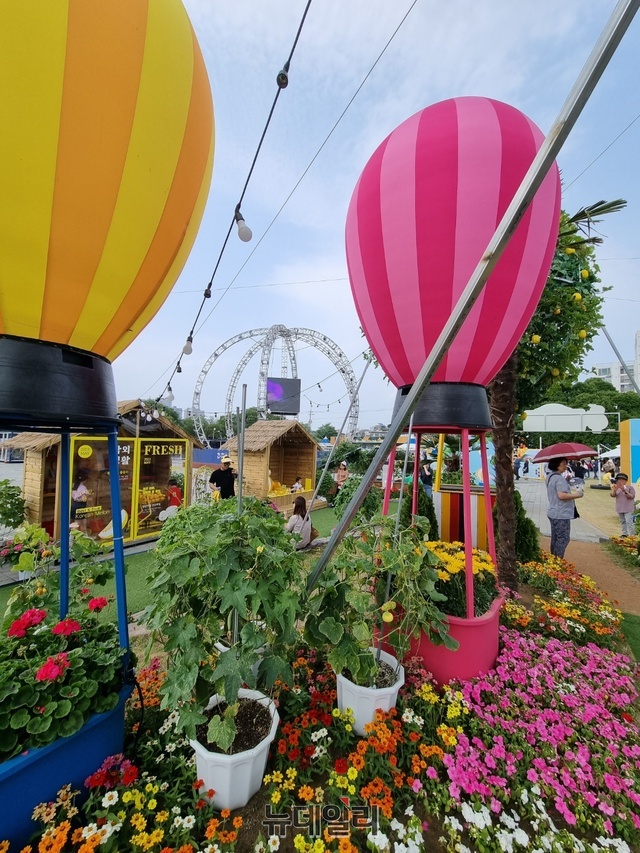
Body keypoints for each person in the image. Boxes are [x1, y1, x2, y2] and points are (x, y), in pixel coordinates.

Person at [545, 457, 583, 558]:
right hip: (561, 513)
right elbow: (561, 495)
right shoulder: (559, 479)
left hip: (553, 511)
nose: (565, 465)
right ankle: (557, 560)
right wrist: (578, 495)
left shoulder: (550, 476)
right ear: (557, 464)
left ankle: (553, 559)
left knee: (556, 537)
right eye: (563, 463)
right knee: (563, 538)